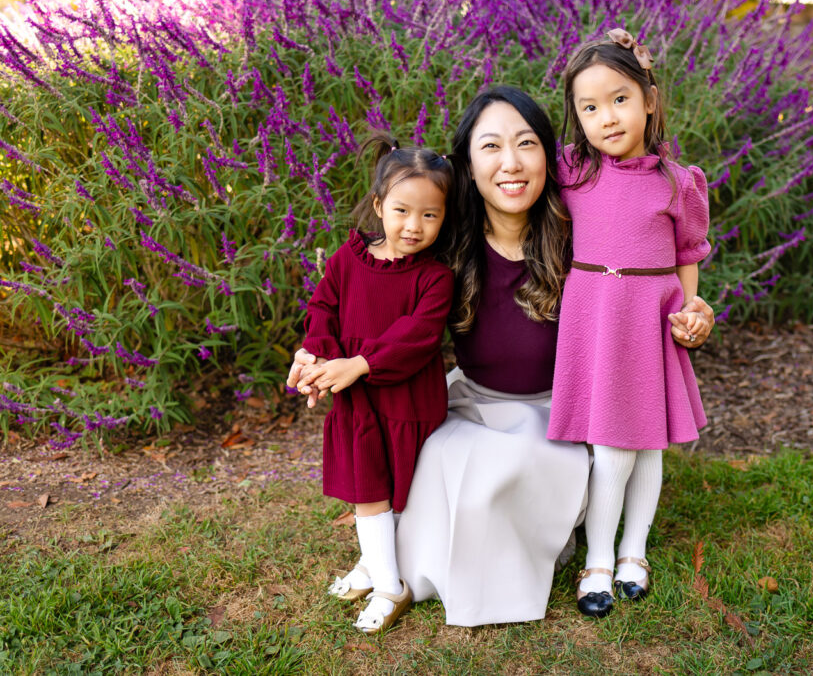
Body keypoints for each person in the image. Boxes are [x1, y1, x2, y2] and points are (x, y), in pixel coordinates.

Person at [292, 87, 715, 628]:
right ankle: (391, 564)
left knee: (500, 472)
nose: (511, 163)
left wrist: (689, 307)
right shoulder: (443, 239)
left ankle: (532, 544)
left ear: (552, 156)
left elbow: (651, 266)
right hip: (471, 400)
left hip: (558, 411)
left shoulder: (581, 231)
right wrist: (316, 356)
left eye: (527, 144)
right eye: (490, 146)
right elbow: (365, 302)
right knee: (437, 462)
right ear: (467, 164)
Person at [546, 29, 713, 619]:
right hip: (597, 316)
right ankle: (597, 558)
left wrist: (691, 312)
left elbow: (689, 252)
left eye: (620, 98)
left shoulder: (677, 182)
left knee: (648, 447)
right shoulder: (573, 171)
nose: (606, 117)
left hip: (651, 319)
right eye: (588, 107)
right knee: (613, 447)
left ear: (649, 99)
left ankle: (632, 552)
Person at [292, 134, 455, 634]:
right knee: (368, 492)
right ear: (380, 205)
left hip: (408, 401)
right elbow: (323, 306)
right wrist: (314, 355)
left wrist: (359, 363)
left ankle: (381, 567)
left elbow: (417, 336)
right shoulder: (349, 259)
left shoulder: (434, 277)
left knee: (400, 495)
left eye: (430, 215)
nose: (414, 225)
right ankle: (387, 581)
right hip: (359, 401)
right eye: (403, 210)